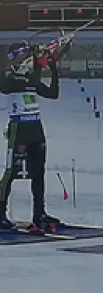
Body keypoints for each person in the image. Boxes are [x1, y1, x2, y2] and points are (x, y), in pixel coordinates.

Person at [0, 39, 63, 232]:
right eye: (24, 56)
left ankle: (39, 213)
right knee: (10, 172)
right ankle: (1, 213)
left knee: (38, 173)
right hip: (19, 128)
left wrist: (52, 67)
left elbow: (52, 93)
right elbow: (11, 85)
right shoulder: (10, 77)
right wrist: (37, 63)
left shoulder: (29, 78)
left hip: (35, 127)